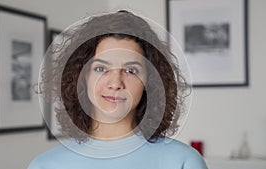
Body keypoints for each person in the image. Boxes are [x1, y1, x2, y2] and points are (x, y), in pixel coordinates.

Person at [28, 10, 208, 169]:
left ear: (150, 81)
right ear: (81, 77)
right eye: (101, 68)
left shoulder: (183, 162)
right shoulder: (45, 165)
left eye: (131, 70)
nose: (115, 83)